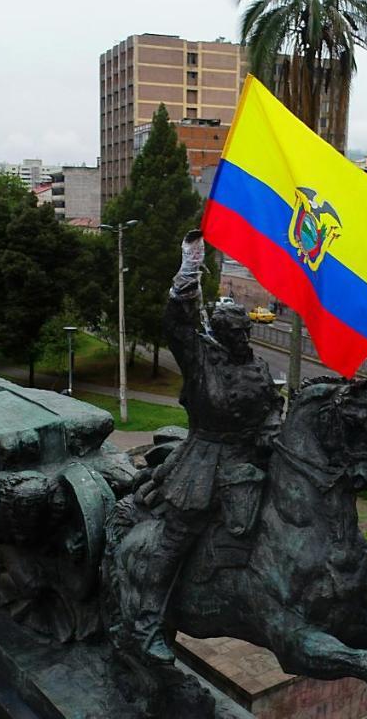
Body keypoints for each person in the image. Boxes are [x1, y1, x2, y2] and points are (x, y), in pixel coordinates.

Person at [124, 229, 282, 665]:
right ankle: (148, 623)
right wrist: (189, 270)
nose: (241, 341)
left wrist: (272, 432)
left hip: (249, 460)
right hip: (205, 461)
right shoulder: (200, 356)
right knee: (176, 538)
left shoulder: (259, 367)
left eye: (244, 333)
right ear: (218, 333)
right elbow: (176, 324)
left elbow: (271, 407)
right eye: (233, 334)